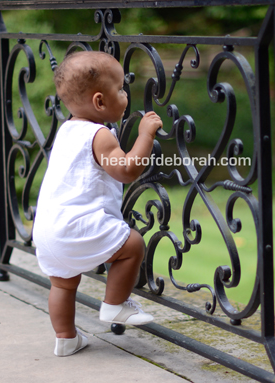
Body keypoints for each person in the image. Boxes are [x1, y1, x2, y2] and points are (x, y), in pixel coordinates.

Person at [33, 51, 162, 357]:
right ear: (100, 103)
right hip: (76, 226)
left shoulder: (67, 130)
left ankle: (65, 338)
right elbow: (127, 171)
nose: (126, 94)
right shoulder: (100, 135)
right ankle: (115, 305)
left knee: (63, 285)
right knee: (132, 245)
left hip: (48, 230)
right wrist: (145, 134)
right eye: (120, 89)